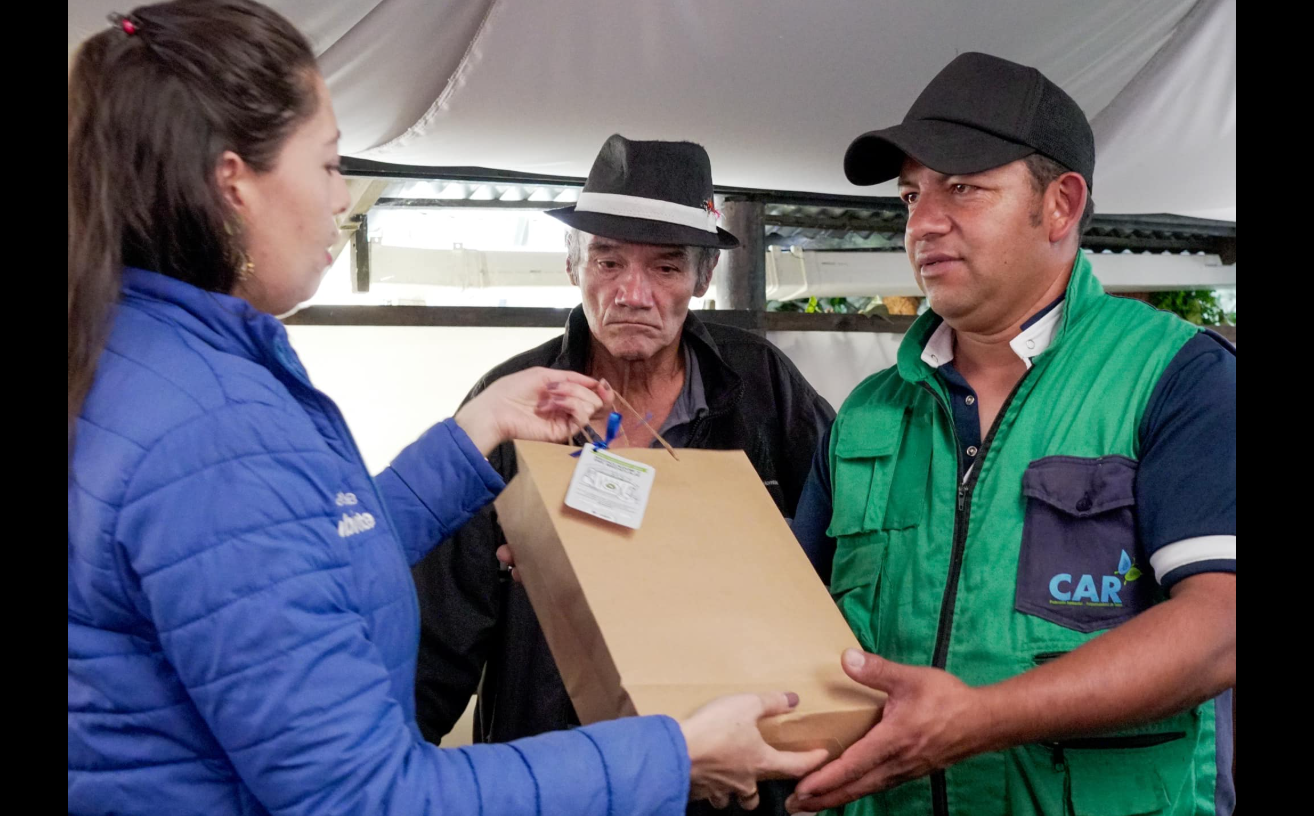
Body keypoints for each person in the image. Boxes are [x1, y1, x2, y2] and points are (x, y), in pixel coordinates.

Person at [67, 4, 827, 814]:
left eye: (665, 267)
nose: (343, 197)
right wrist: (673, 758)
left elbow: (315, 557)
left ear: (701, 279)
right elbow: (374, 789)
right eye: (328, 165)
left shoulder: (160, 368)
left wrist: (474, 434)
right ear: (233, 185)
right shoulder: (215, 432)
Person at [785, 52, 1236, 816]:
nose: (923, 222)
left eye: (962, 187)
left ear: (1060, 205)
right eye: (910, 195)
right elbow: (787, 617)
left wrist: (978, 720)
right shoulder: (868, 412)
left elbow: (1219, 625)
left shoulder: (1177, 377)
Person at [412, 133, 835, 816]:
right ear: (572, 264)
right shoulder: (515, 398)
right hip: (561, 770)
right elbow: (443, 612)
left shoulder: (761, 385)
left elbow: (836, 556)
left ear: (701, 280)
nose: (632, 293)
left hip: (732, 776)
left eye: (665, 269)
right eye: (608, 261)